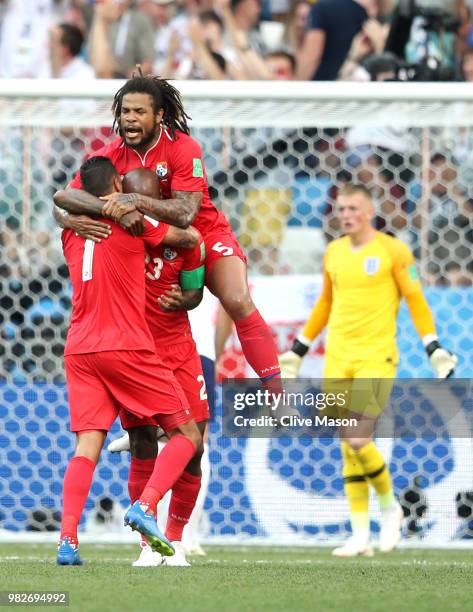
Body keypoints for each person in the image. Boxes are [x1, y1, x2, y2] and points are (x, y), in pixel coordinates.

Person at [53, 73, 282, 393]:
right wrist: (69, 219)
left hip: (204, 232)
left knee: (236, 297)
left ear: (159, 116)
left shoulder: (184, 148)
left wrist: (133, 199)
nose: (130, 118)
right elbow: (63, 198)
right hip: (152, 244)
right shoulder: (108, 155)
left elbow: (187, 213)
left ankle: (276, 393)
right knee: (142, 326)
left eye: (139, 112)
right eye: (125, 111)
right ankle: (144, 420)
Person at [279, 184, 457, 557]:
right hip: (338, 358)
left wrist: (432, 346)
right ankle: (361, 534)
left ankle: (390, 508)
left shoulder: (392, 251)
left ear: (370, 210)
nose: (345, 214)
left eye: (353, 208)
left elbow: (415, 300)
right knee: (349, 446)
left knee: (358, 438)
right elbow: (326, 303)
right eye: (341, 208)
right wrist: (298, 349)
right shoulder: (334, 252)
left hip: (376, 356)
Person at [56, 157, 203, 565]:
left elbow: (64, 207)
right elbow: (188, 237)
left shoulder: (70, 230)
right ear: (118, 184)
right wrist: (135, 208)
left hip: (80, 348)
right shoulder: (130, 220)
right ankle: (146, 505)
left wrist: (72, 215)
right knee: (187, 436)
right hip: (126, 345)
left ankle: (67, 540)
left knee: (87, 446)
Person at [106, 167, 209, 568]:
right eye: (131, 199)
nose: (142, 211)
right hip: (135, 352)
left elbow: (195, 290)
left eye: (148, 201)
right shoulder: (116, 236)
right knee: (143, 443)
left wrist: (185, 300)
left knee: (194, 448)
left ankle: (177, 539)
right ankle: (148, 545)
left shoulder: (186, 243)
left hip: (178, 348)